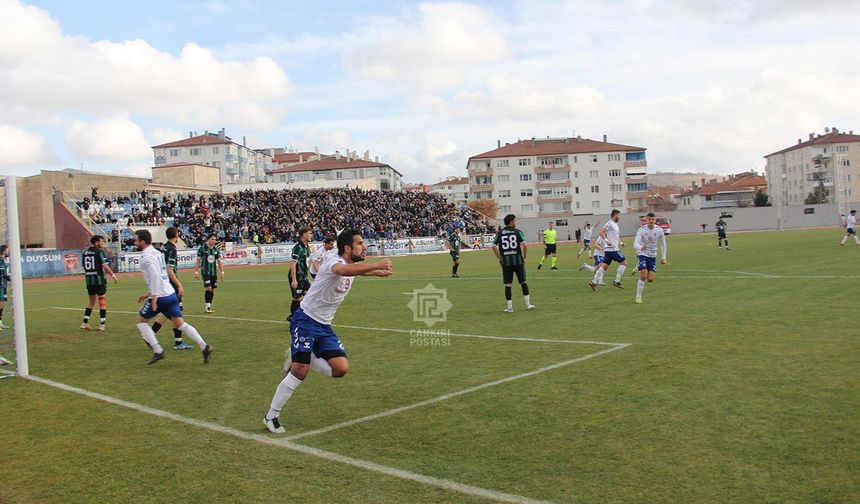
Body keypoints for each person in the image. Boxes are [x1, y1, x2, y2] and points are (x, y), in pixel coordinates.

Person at [263, 229, 394, 434]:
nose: (364, 247)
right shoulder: (335, 262)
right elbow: (343, 271)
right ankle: (271, 416)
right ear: (347, 248)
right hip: (305, 320)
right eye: (360, 243)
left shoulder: (349, 264)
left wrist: (377, 273)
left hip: (324, 326)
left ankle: (299, 356)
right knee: (300, 371)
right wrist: (377, 265)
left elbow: (354, 271)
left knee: (340, 369)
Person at [133, 229, 212, 365]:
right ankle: (204, 347)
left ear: (143, 242)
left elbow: (155, 275)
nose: (134, 242)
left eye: (136, 240)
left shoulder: (146, 257)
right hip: (170, 293)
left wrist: (153, 296)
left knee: (141, 322)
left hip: (160, 296)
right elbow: (161, 274)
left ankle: (158, 351)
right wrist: (149, 293)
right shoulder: (157, 252)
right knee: (180, 324)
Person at [150, 227, 194, 350]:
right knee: (177, 312)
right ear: (176, 235)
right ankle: (178, 342)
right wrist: (179, 284)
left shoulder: (162, 247)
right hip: (170, 284)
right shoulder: (172, 249)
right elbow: (169, 269)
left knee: (167, 312)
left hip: (162, 283)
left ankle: (150, 335)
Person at [492, 214, 534, 313]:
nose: (516, 222)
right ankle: (528, 304)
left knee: (508, 285)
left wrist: (499, 258)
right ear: (511, 222)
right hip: (518, 261)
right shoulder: (517, 231)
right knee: (523, 282)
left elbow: (493, 246)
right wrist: (524, 257)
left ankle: (510, 307)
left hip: (506, 262)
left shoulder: (500, 233)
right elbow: (525, 245)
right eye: (515, 221)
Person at [80, 235, 118, 331]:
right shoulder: (99, 252)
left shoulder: (85, 252)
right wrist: (113, 275)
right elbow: (105, 266)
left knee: (91, 302)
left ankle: (84, 323)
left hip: (89, 281)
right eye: (101, 241)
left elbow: (84, 266)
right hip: (99, 280)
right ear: (96, 242)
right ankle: (102, 325)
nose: (103, 243)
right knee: (102, 302)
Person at [634, 213, 668, 304]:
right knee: (643, 275)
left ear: (655, 220)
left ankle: (639, 265)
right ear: (646, 220)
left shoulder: (659, 230)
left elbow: (663, 244)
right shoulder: (641, 230)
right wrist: (641, 247)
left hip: (652, 256)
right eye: (649, 219)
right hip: (642, 254)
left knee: (650, 279)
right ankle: (638, 297)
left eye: (653, 219)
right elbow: (635, 244)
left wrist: (663, 257)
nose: (651, 221)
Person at [588, 210, 627, 291]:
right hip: (613, 249)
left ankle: (593, 282)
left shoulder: (615, 224)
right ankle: (617, 281)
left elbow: (616, 236)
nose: (620, 217)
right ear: (615, 215)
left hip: (609, 250)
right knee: (624, 263)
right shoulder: (610, 223)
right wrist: (606, 241)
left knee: (604, 266)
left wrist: (621, 243)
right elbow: (601, 232)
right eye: (619, 215)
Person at [194, 233, 224, 313]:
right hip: (205, 271)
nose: (214, 241)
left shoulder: (216, 249)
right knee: (209, 288)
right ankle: (207, 307)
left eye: (215, 239)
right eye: (212, 239)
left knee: (212, 289)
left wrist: (222, 271)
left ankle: (209, 305)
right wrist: (196, 271)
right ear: (208, 239)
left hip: (213, 272)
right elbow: (198, 260)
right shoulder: (202, 248)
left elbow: (219, 261)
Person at [288, 227, 312, 319]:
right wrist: (294, 280)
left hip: (303, 277)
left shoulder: (306, 247)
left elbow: (305, 263)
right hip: (297, 277)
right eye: (309, 233)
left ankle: (302, 315)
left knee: (309, 294)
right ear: (304, 235)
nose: (311, 235)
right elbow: (293, 264)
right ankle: (293, 317)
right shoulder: (298, 248)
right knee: (297, 298)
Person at [0, 245, 10, 330]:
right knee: (0, 304)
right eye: (7, 250)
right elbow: (2, 274)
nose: (8, 252)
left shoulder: (3, 260)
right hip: (1, 285)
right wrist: (11, 278)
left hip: (4, 285)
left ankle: (0, 323)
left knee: (2, 304)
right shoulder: (0, 260)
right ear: (4, 251)